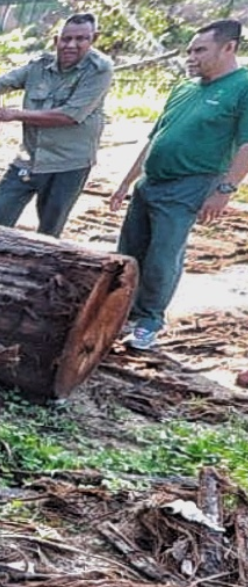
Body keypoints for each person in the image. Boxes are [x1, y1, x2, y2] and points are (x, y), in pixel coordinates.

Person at [110, 19, 248, 351]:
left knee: (162, 255)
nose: (192, 57)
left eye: (200, 50)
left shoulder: (242, 86)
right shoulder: (185, 87)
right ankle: (119, 313)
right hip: (150, 181)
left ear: (228, 47)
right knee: (129, 251)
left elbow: (247, 144)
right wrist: (127, 182)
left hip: (190, 184)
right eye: (190, 50)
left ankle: (149, 321)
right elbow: (155, 137)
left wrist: (224, 191)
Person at [0, 13, 114, 237]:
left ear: (93, 39)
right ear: (56, 40)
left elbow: (68, 116)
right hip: (28, 159)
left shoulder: (99, 70)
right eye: (66, 39)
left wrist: (14, 114)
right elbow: (0, 84)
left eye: (81, 39)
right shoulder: (39, 66)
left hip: (67, 164)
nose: (71, 45)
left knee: (48, 232)